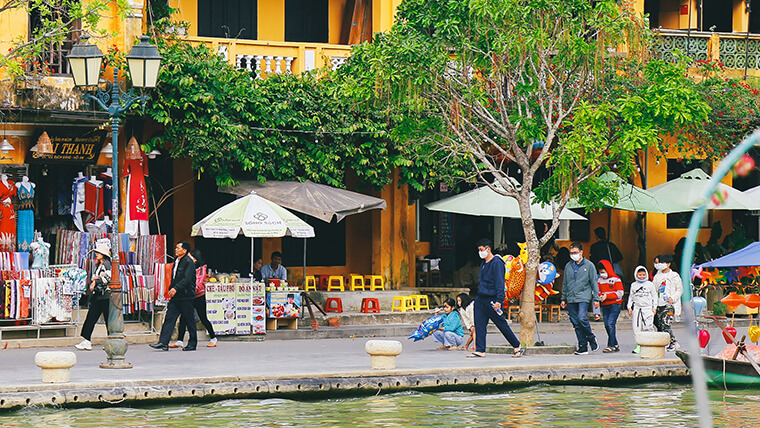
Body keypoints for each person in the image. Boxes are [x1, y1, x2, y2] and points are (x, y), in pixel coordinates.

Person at [467, 239, 523, 358]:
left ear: (488, 249)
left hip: (492, 299)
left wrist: (499, 300)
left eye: (482, 250)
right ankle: (480, 349)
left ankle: (516, 345)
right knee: (480, 324)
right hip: (481, 298)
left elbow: (499, 282)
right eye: (479, 250)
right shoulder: (484, 263)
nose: (480, 252)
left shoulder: (497, 262)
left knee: (501, 323)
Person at [150, 241, 198, 351]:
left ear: (184, 250)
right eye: (176, 248)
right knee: (169, 318)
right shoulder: (176, 261)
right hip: (176, 296)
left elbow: (186, 279)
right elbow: (175, 277)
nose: (176, 249)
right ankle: (163, 342)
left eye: (178, 248)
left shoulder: (188, 262)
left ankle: (192, 343)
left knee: (189, 320)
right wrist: (171, 288)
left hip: (186, 295)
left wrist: (176, 288)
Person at [172, 249, 217, 349]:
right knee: (183, 318)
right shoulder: (187, 266)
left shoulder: (201, 269)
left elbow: (199, 282)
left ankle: (213, 338)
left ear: (195, 259)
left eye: (190, 256)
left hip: (198, 296)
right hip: (189, 296)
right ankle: (179, 341)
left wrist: (189, 288)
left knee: (203, 317)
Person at [561, 242, 600, 355]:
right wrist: (563, 298)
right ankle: (582, 345)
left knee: (582, 318)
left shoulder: (589, 265)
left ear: (581, 252)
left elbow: (594, 283)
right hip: (571, 297)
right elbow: (565, 283)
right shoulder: (568, 266)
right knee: (576, 322)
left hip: (583, 296)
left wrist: (596, 299)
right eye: (571, 253)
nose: (573, 255)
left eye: (575, 252)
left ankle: (591, 337)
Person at [75, 243, 112, 351]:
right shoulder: (100, 265)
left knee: (105, 319)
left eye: (98, 253)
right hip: (99, 296)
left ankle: (110, 341)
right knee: (92, 318)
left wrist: (95, 281)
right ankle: (87, 340)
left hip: (104, 296)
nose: (96, 254)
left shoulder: (107, 264)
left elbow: (108, 278)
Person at [652, 254, 682, 351]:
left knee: (665, 323)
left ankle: (673, 341)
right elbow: (654, 290)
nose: (659, 265)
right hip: (659, 303)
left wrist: (673, 298)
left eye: (661, 262)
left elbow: (680, 289)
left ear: (668, 264)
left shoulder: (674, 276)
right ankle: (665, 342)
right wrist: (654, 305)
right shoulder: (657, 276)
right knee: (658, 323)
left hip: (670, 304)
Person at [628, 265, 657, 354]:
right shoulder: (633, 285)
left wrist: (654, 307)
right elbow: (631, 297)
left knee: (648, 326)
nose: (642, 276)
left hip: (647, 309)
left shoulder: (650, 284)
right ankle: (638, 345)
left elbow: (654, 296)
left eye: (643, 275)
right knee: (636, 327)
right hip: (637, 309)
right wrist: (629, 307)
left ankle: (650, 344)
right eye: (639, 275)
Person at [597, 260, 624, 353]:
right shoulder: (600, 280)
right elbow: (598, 290)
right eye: (600, 272)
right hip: (605, 305)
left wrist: (607, 296)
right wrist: (600, 296)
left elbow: (620, 293)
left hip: (615, 305)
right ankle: (615, 344)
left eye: (603, 272)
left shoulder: (616, 279)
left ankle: (611, 345)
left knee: (610, 323)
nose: (602, 274)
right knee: (607, 325)